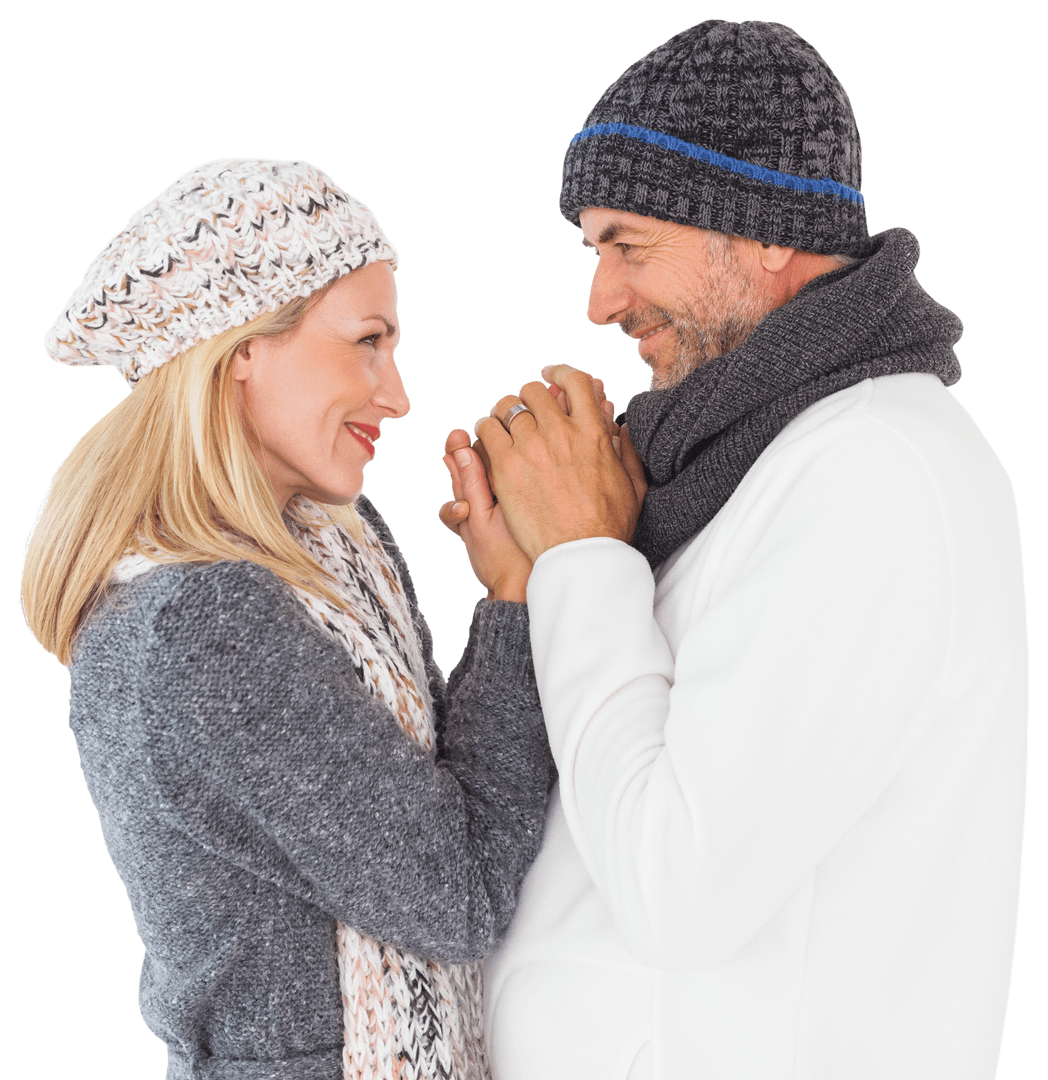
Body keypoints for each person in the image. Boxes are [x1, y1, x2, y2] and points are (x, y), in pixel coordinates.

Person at [441, 21, 1029, 1080]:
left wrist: (582, 558)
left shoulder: (873, 474)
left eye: (628, 245)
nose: (599, 301)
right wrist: (540, 590)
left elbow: (679, 887)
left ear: (759, 226)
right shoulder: (751, 459)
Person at [20, 157, 559, 1080]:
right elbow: (455, 893)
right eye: (366, 342)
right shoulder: (203, 619)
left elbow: (430, 803)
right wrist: (517, 600)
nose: (397, 394)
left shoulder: (328, 547)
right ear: (242, 355)